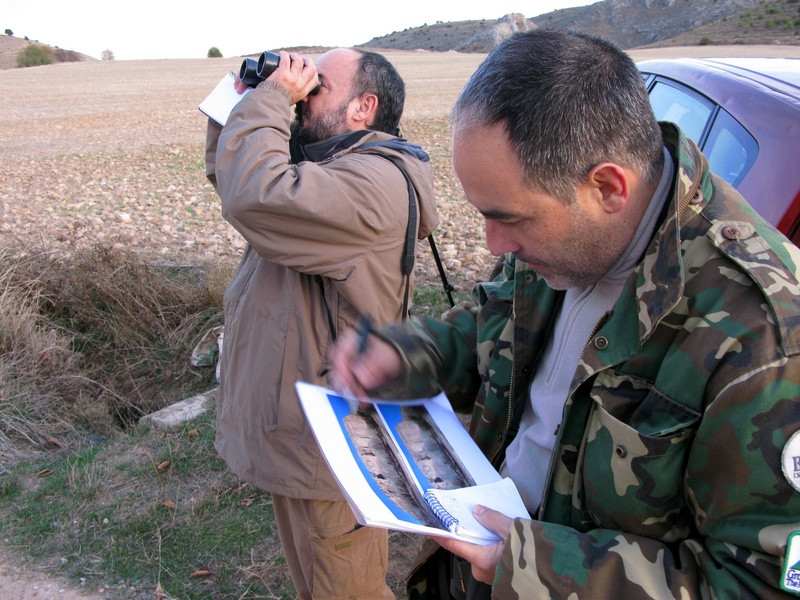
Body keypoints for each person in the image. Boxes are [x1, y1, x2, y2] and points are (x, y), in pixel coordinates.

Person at [331, 29, 800, 599]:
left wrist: (534, 567)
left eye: (510, 219)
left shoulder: (764, 330)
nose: (493, 243)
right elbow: (491, 329)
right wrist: (406, 355)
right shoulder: (565, 236)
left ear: (607, 187)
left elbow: (756, 584)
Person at [204, 47, 438, 599]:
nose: (303, 90)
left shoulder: (371, 183)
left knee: (344, 588)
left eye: (319, 84)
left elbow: (254, 195)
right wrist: (240, 97)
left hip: (333, 439)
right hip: (305, 428)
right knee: (317, 581)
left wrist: (273, 99)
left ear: (364, 107)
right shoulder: (331, 165)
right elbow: (234, 174)